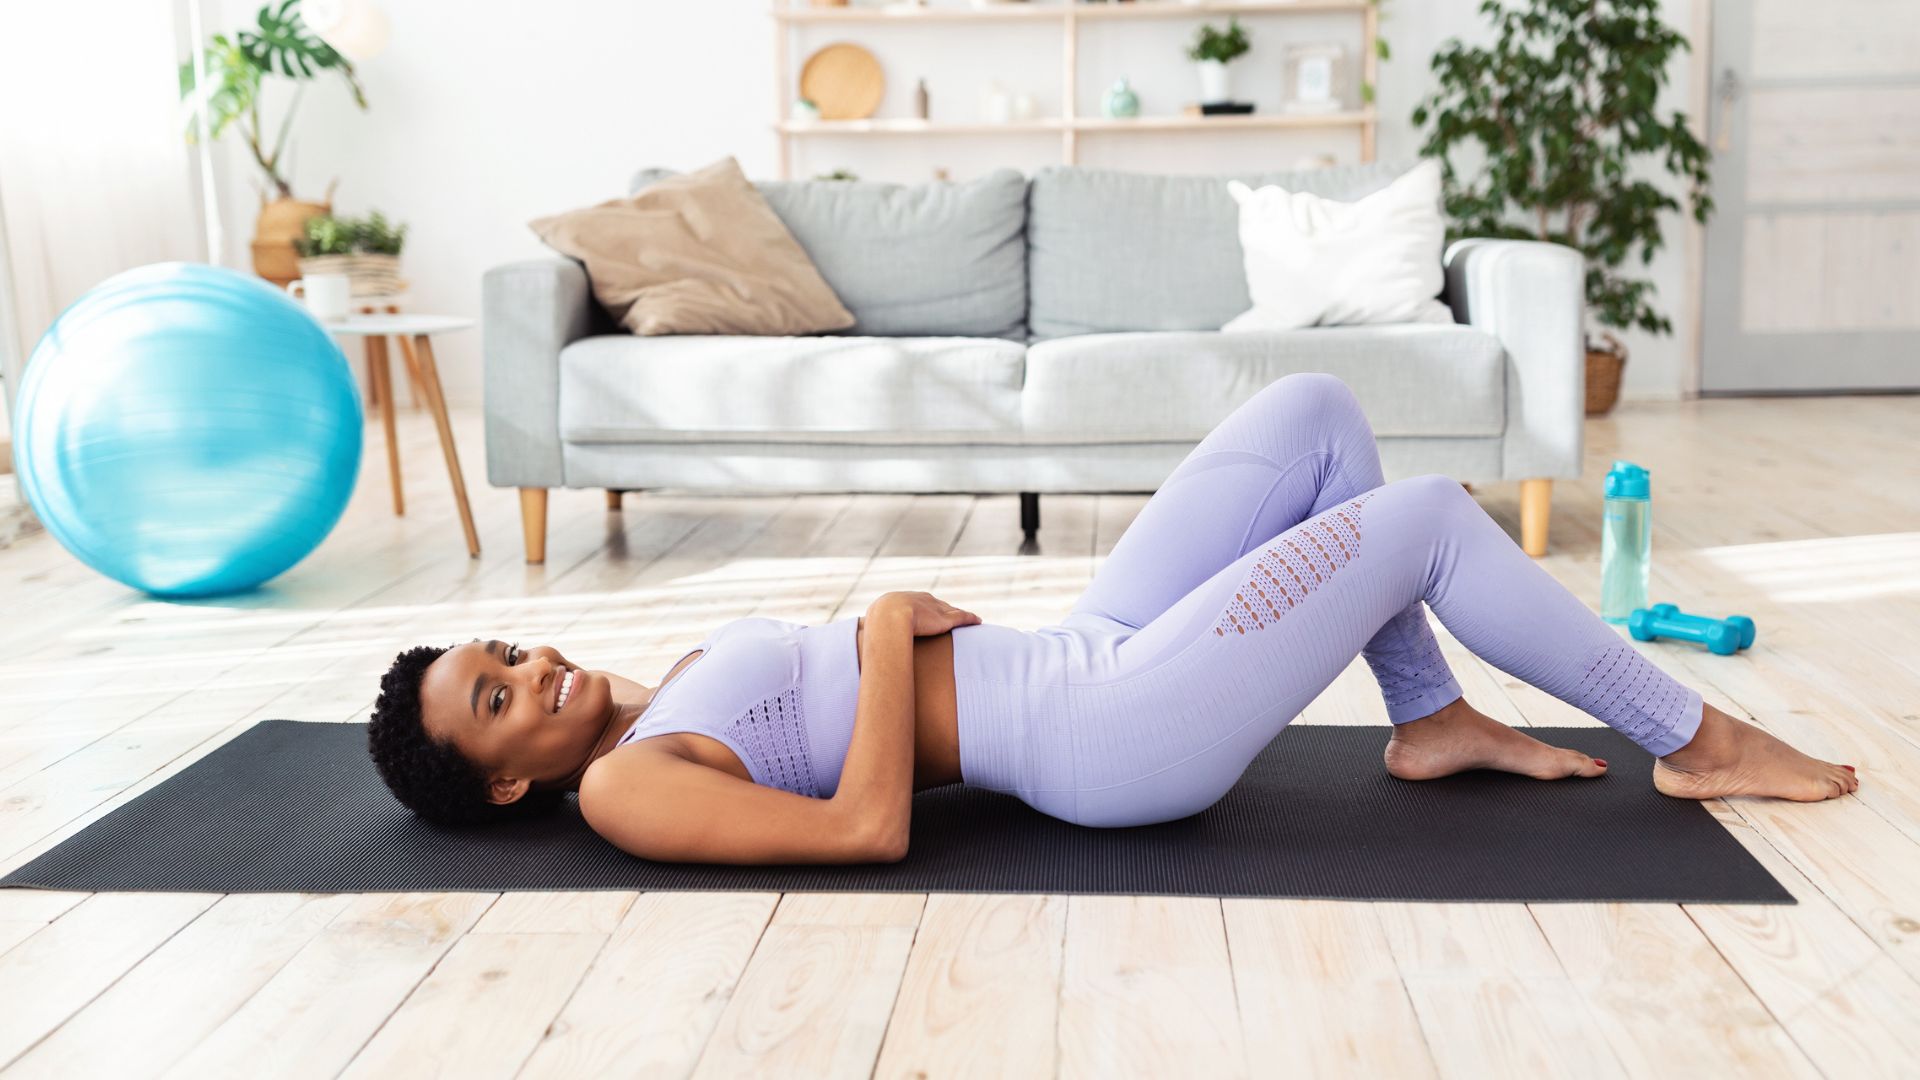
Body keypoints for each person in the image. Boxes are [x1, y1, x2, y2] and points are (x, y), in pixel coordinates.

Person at [368, 374, 1859, 864]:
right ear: (507, 780)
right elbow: (865, 829)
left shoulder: (660, 688)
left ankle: (1433, 718)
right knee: (1418, 523)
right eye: (498, 702)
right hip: (1105, 737)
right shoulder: (628, 789)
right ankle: (1697, 735)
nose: (530, 666)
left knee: (1318, 414)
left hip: (1084, 644)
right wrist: (885, 626)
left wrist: (890, 627)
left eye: (500, 651)